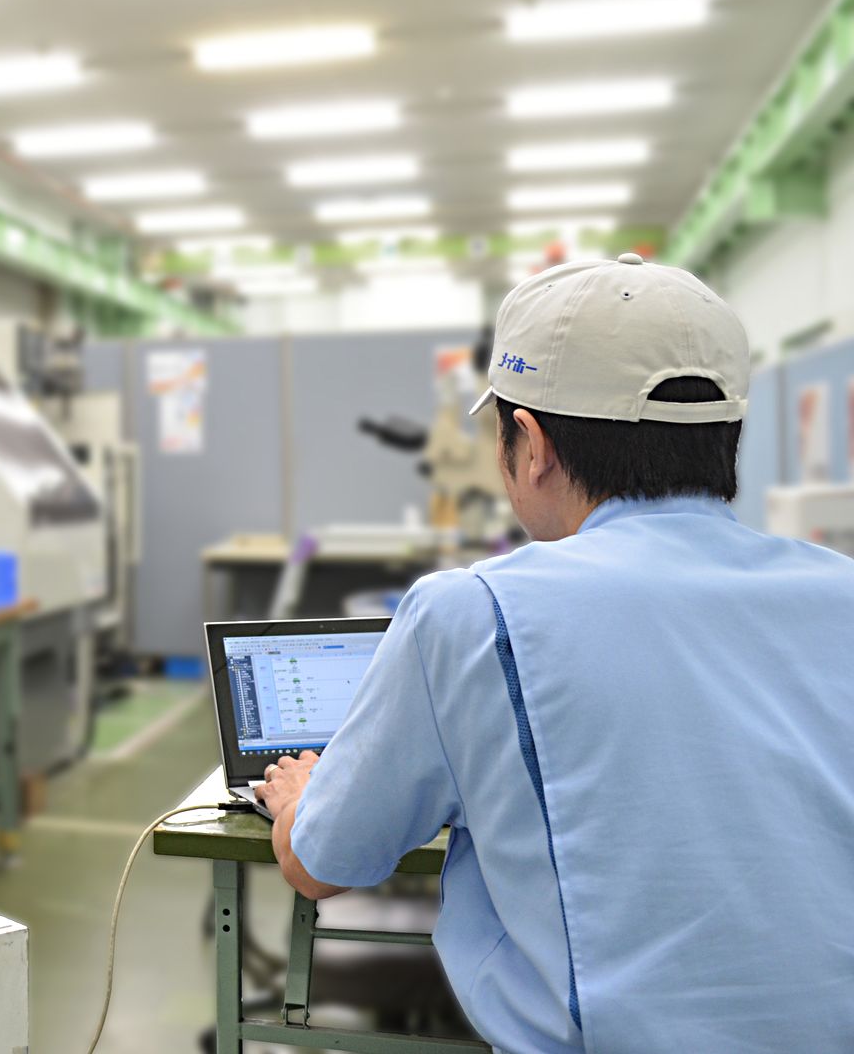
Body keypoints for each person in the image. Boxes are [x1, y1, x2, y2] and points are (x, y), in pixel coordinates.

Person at [256, 253, 854, 1053]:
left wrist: (300, 799)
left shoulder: (473, 614)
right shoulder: (841, 591)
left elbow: (323, 862)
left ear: (530, 444)